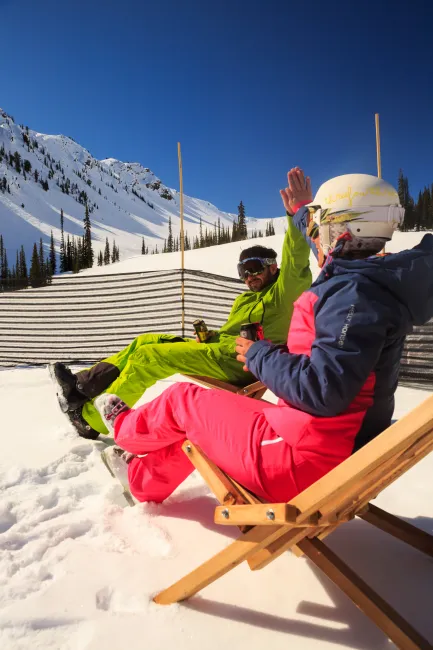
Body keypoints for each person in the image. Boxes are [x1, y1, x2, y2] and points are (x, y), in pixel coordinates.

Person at [93, 171, 433, 504]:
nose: (313, 234)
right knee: (208, 417)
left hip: (300, 463)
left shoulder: (350, 296)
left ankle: (125, 429)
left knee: (182, 400)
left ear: (339, 230)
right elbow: (328, 242)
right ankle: (140, 480)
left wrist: (260, 355)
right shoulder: (376, 279)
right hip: (323, 444)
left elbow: (322, 390)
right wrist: (300, 210)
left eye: (318, 226)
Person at [50, 170, 312, 439]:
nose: (249, 276)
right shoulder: (246, 298)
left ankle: (92, 421)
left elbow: (296, 259)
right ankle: (81, 387)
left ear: (272, 267)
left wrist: (296, 214)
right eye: (243, 271)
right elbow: (231, 335)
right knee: (145, 341)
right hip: (220, 352)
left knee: (149, 357)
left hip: (241, 365)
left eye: (254, 268)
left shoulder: (284, 294)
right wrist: (211, 337)